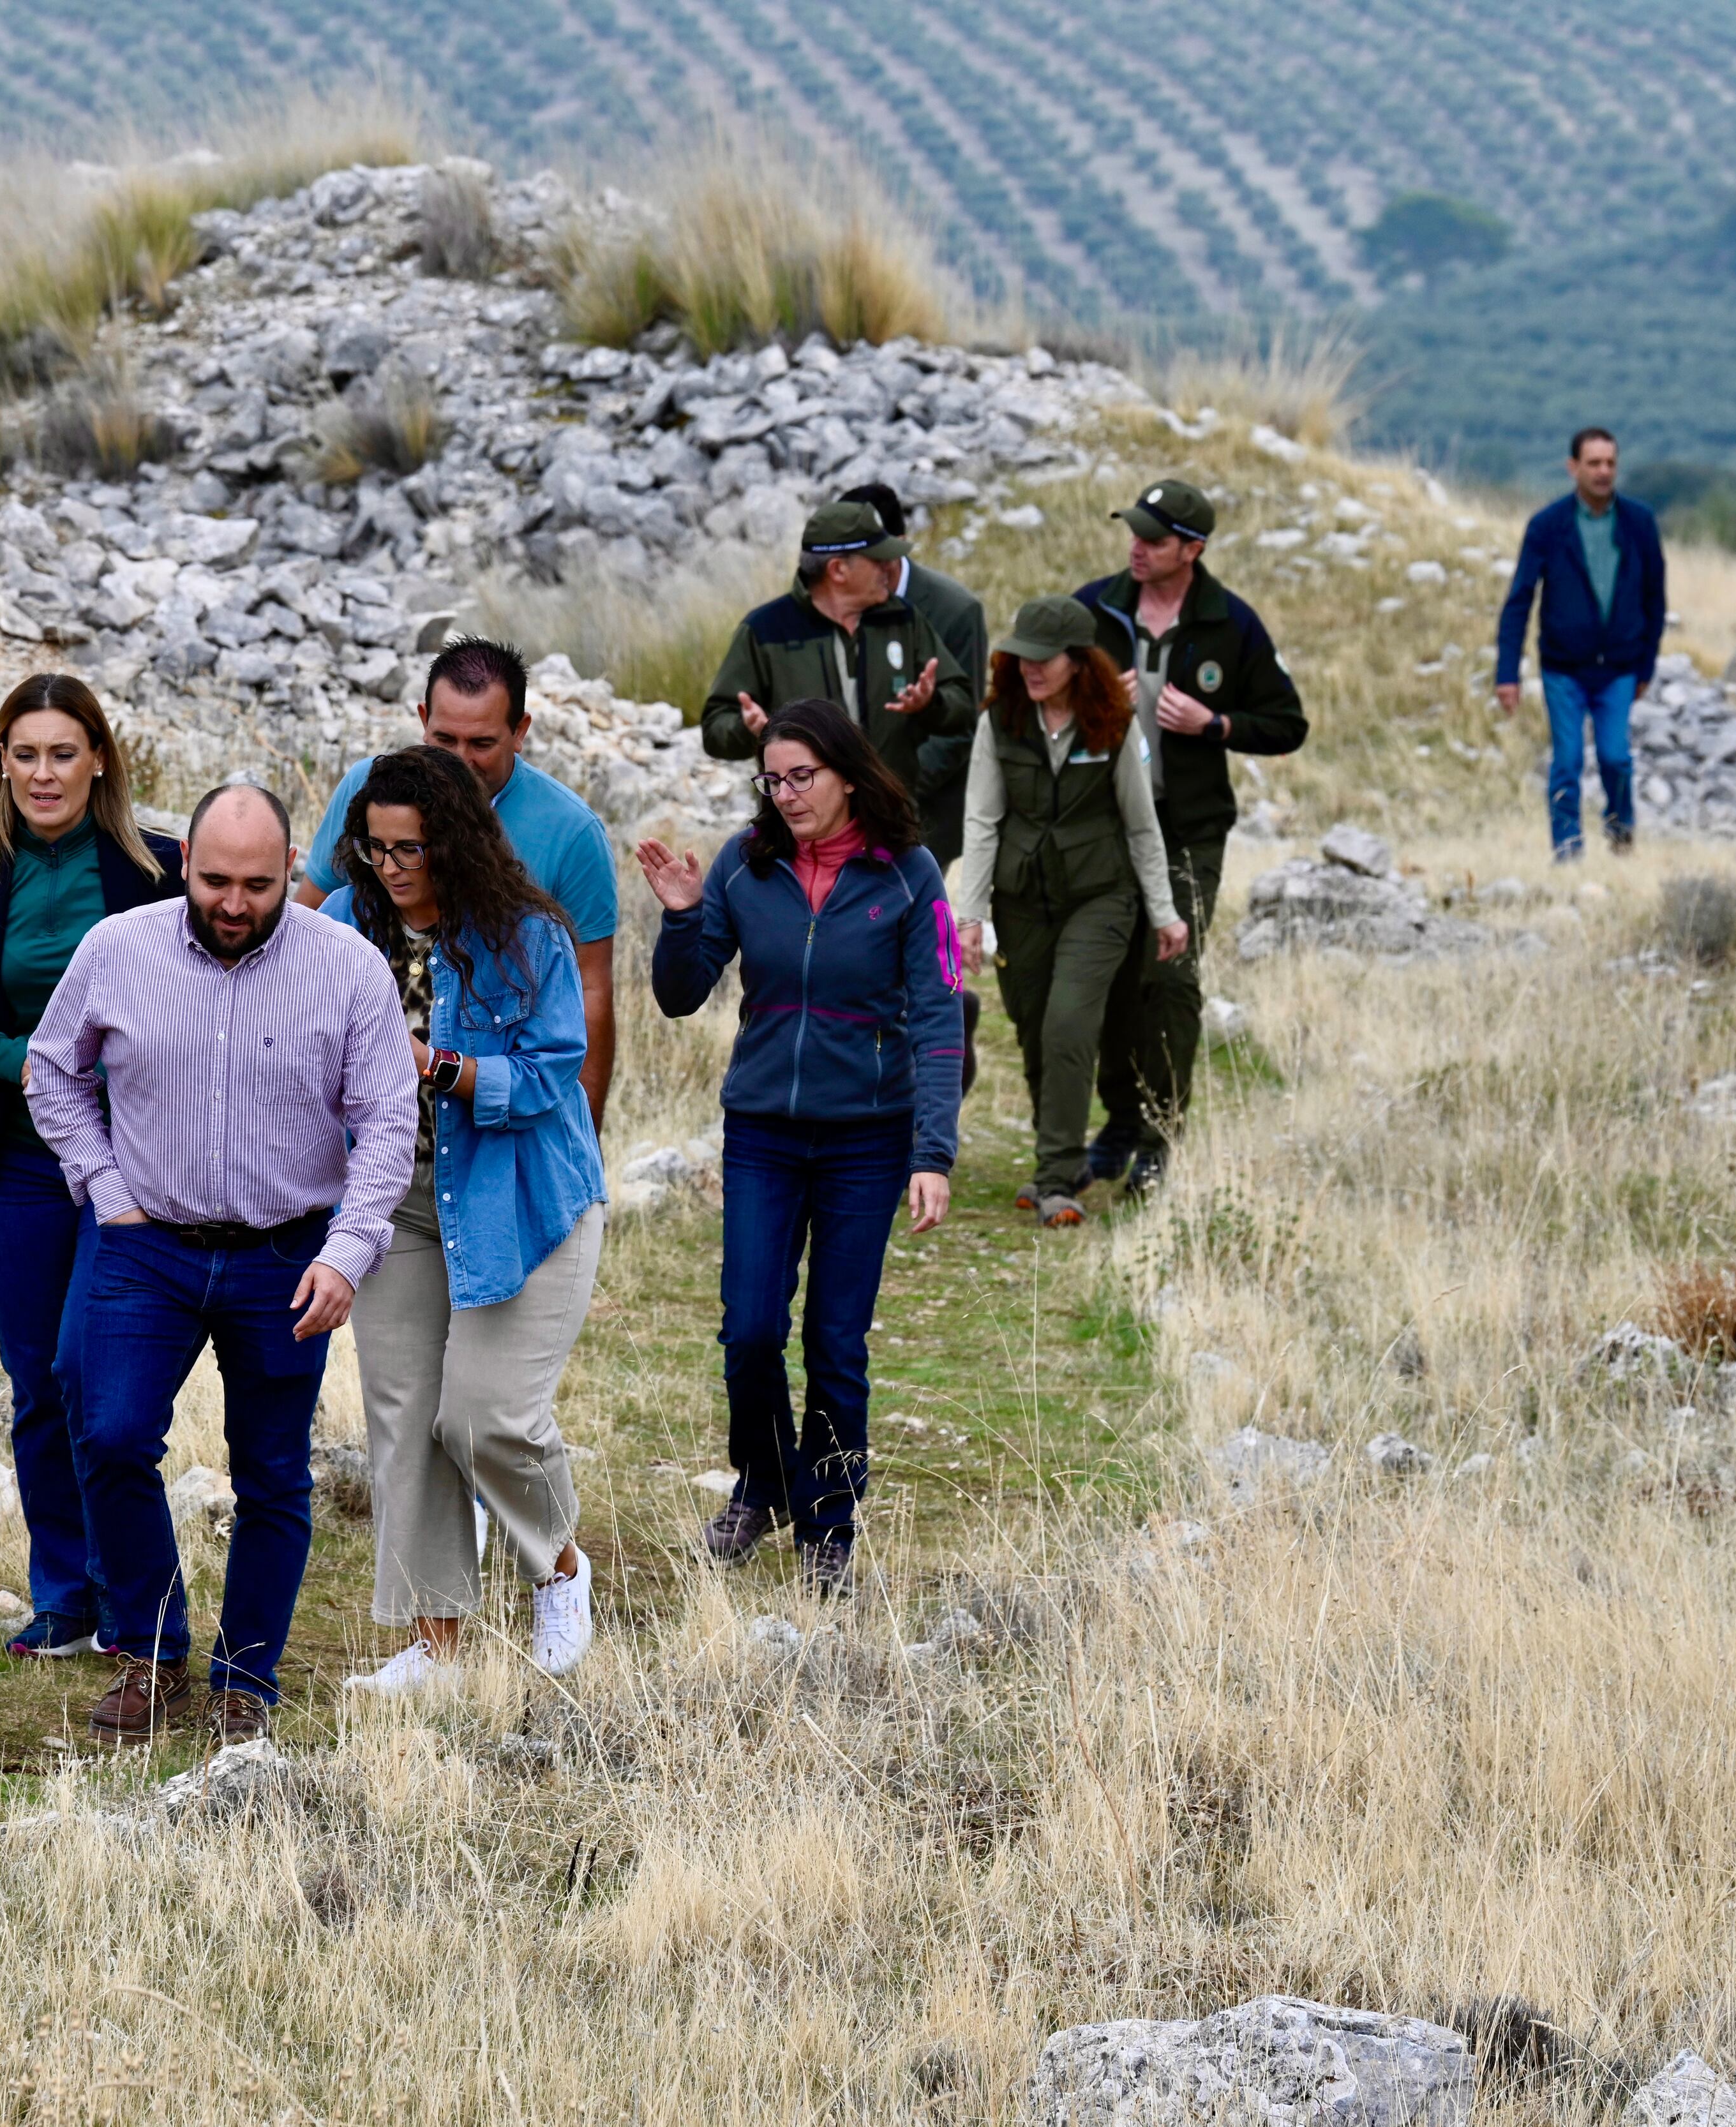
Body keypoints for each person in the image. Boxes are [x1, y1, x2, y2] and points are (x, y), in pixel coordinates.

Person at [25, 782, 415, 1745]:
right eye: (213, 881)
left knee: (274, 1471)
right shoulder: (118, 950)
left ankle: (247, 1678)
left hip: (288, 1254)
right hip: (145, 1245)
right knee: (109, 1434)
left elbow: (388, 1119)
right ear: (183, 866)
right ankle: (150, 1655)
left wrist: (349, 1253)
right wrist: (104, 1187)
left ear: (292, 870)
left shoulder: (351, 969)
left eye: (255, 883)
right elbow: (51, 1069)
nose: (233, 904)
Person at [638, 698, 963, 1595]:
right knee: (749, 1329)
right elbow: (678, 994)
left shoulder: (910, 875)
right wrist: (680, 917)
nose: (783, 794)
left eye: (801, 776)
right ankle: (766, 1478)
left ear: (848, 774)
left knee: (834, 1341)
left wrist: (933, 1151)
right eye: (771, 779)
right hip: (764, 1135)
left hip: (868, 1139)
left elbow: (939, 1013)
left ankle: (829, 1524)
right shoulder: (748, 867)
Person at [310, 746, 607, 1695]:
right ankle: (437, 1645)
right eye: (377, 848)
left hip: (521, 1198)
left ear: (456, 843)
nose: (392, 867)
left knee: (481, 1419)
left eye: (412, 849)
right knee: (402, 1422)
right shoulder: (347, 923)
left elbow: (550, 1071)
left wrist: (432, 1063)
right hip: (396, 1197)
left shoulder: (526, 935)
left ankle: (559, 1569)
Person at [0, 674, 184, 1663]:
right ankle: (64, 1598)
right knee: (34, 1381)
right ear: (1, 764)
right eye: (22, 754)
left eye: (61, 752)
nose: (41, 772)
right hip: (19, 1160)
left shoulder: (159, 868)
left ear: (99, 759)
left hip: (132, 1158)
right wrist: (11, 1058)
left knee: (91, 1370)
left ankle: (132, 1599)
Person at [1072, 479, 1306, 1195]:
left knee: (1168, 979)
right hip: (1101, 827)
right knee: (1106, 978)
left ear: (1192, 550)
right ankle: (1114, 1125)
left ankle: (1157, 1136)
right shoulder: (1090, 608)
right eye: (1133, 534)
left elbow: (1286, 724)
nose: (1136, 548)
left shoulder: (1230, 624)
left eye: (1153, 538)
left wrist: (1215, 726)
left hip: (1186, 834)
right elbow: (1031, 695)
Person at [296, 638, 622, 1131]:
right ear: (423, 718)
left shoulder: (573, 833)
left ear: (520, 731)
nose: (461, 760)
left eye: (482, 744)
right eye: (444, 740)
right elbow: (307, 930)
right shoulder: (373, 791)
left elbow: (591, 989)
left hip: (497, 1131)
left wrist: (586, 1144)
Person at [947, 599, 1189, 1227]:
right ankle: (1053, 1156)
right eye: (1019, 654)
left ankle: (1056, 1179)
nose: (1026, 667)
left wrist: (1162, 911)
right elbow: (981, 820)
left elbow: (1141, 826)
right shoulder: (998, 722)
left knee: (1067, 1026)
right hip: (1023, 900)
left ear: (1078, 662)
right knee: (1032, 1034)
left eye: (1042, 657)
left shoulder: (1113, 724)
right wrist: (967, 916)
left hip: (1100, 899)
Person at [843, 480, 991, 1093]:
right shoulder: (829, 604)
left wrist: (884, 792)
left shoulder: (953, 611)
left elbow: (960, 725)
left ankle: (941, 1048)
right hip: (840, 814)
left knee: (904, 949)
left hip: (926, 815)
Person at [701, 498, 976, 809]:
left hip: (889, 822)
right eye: (878, 560)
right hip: (799, 834)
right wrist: (748, 730)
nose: (890, 568)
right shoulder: (765, 631)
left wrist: (931, 705)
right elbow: (714, 732)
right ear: (838, 570)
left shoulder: (904, 620)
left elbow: (963, 707)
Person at [1495, 427, 1668, 861]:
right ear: (1573, 467)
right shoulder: (1547, 526)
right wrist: (1507, 674)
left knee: (1616, 759)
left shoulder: (1640, 523)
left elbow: (1655, 598)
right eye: (1593, 463)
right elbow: (1520, 600)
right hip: (1563, 669)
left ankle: (1621, 835)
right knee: (1567, 761)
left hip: (1620, 669)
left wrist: (1646, 667)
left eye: (1610, 463)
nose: (1603, 472)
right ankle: (1568, 852)